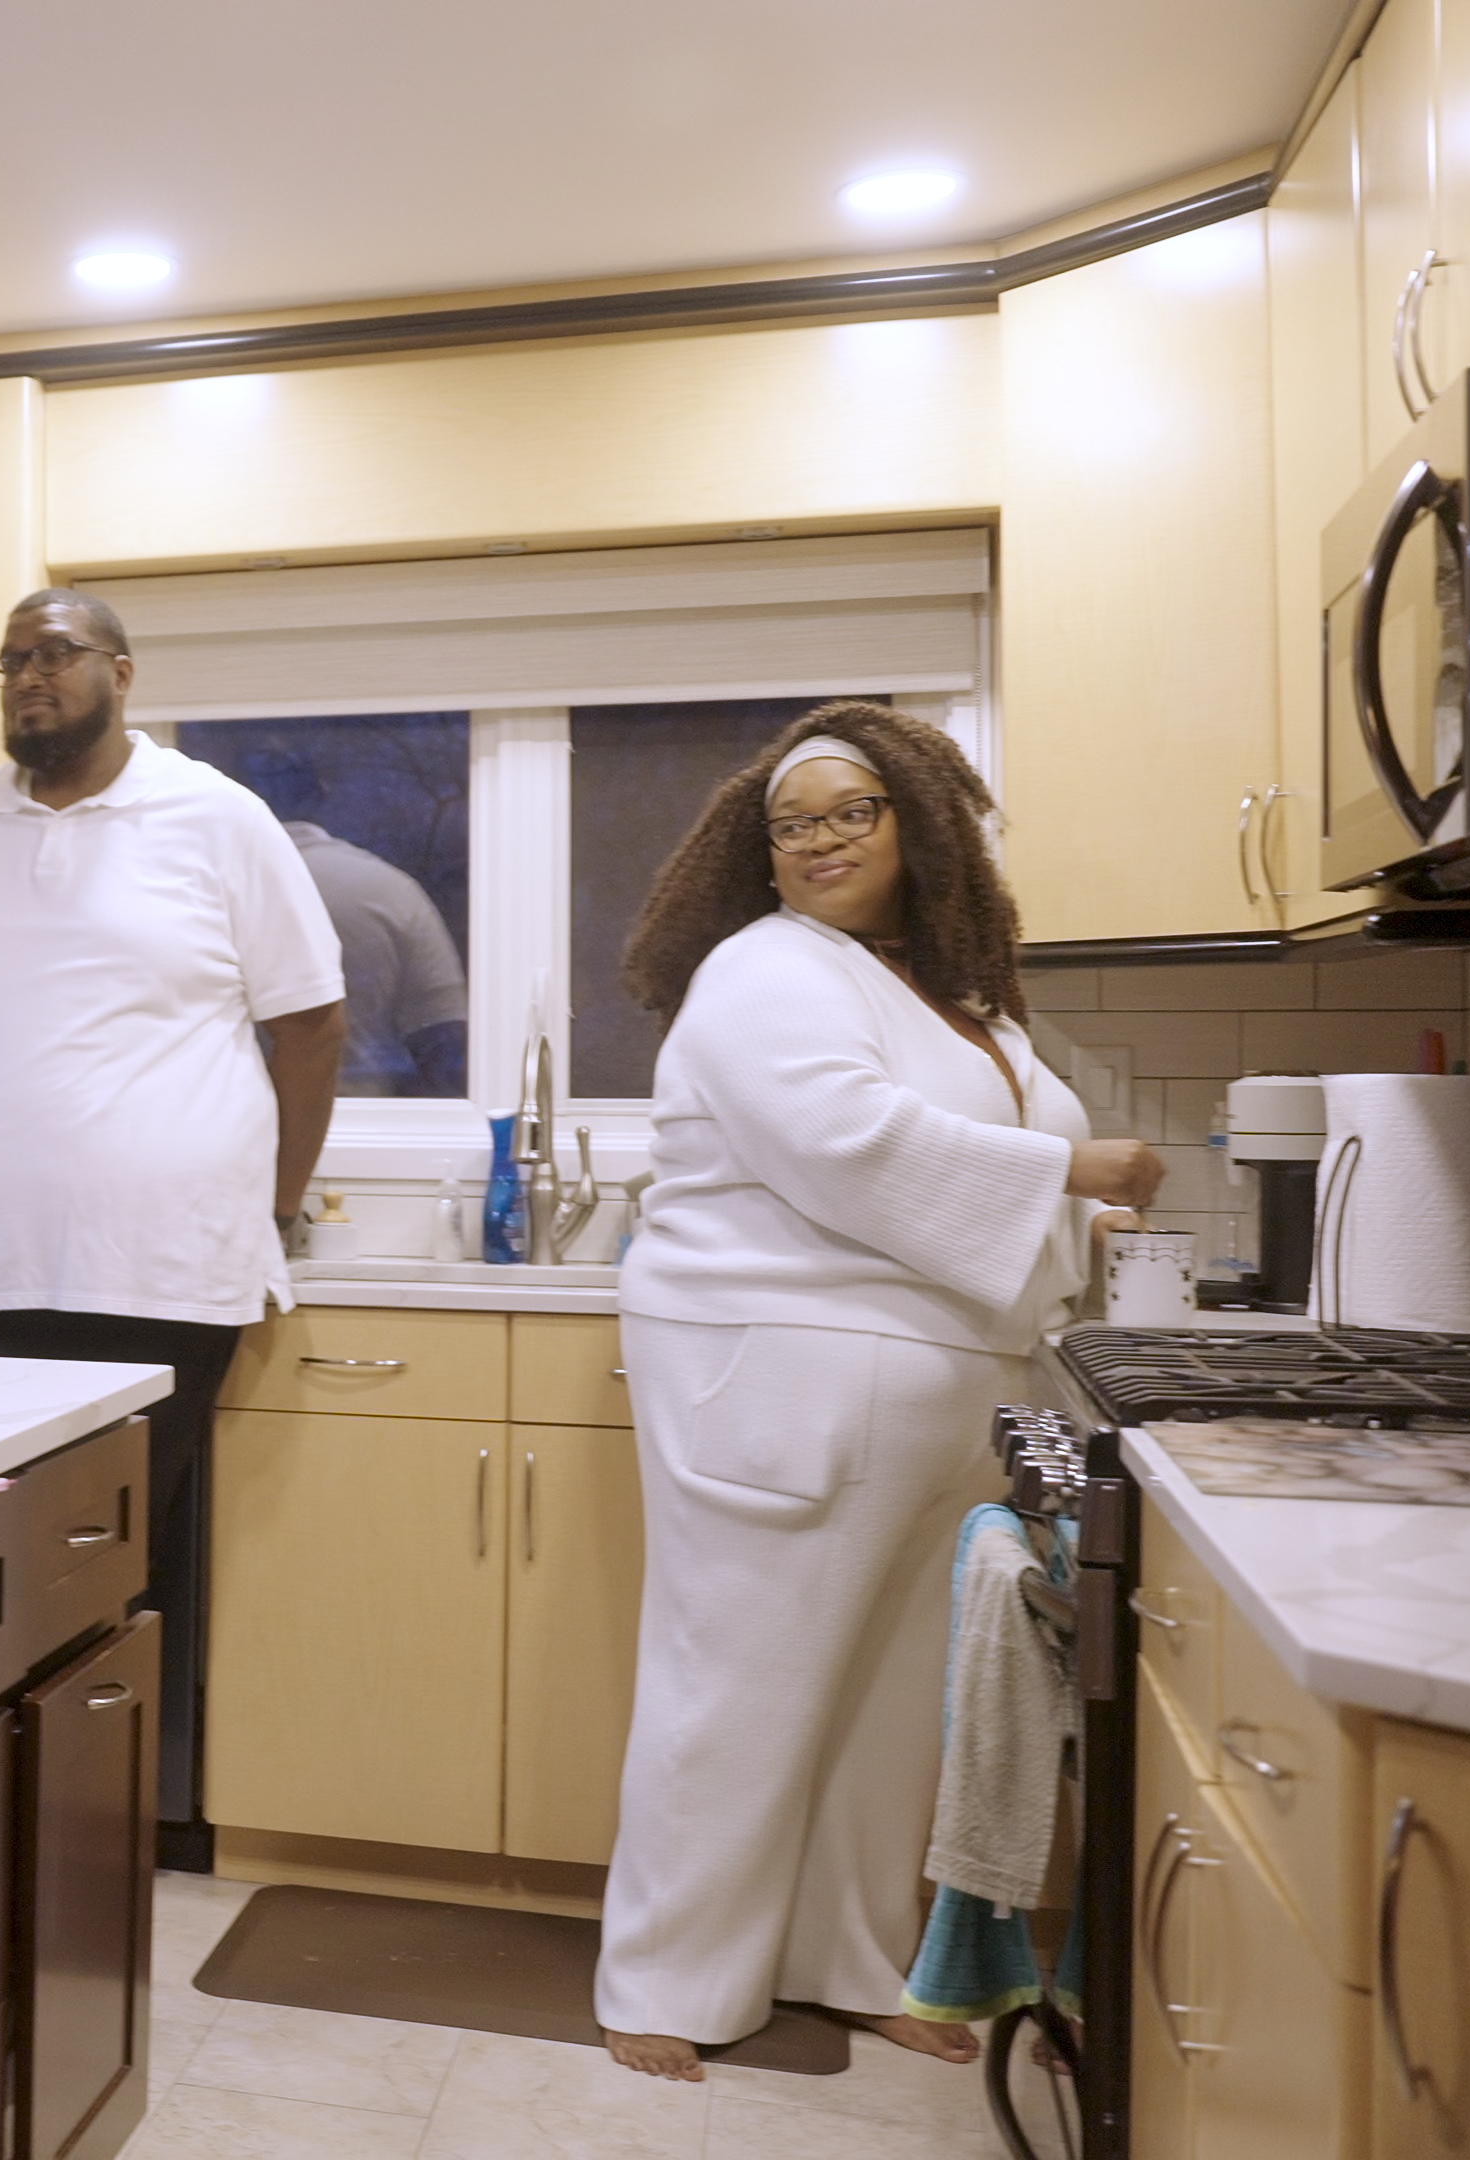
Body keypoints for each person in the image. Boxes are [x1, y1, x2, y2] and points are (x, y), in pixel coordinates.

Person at [594, 703, 1163, 2081]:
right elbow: (847, 1143)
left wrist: (1076, 1227)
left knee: (895, 1700)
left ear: (920, 821)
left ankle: (849, 1962)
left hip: (934, 1397)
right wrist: (1075, 1181)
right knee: (736, 1680)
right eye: (795, 824)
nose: (821, 841)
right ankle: (661, 1983)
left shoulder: (941, 989)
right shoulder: (764, 970)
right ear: (759, 850)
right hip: (779, 1388)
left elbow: (970, 1152)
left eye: (855, 811)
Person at [0, 587, 348, 1859]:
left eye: (57, 655)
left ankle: (72, 1854)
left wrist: (276, 1204)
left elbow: (310, 1025)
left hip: (160, 1277)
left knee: (92, 1582)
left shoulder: (217, 817)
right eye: (11, 659)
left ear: (121, 674)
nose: (30, 678)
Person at [236, 744, 469, 1096]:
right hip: (366, 1115)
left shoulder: (206, 895)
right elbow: (443, 1039)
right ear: (319, 797)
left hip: (235, 1120)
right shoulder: (389, 890)